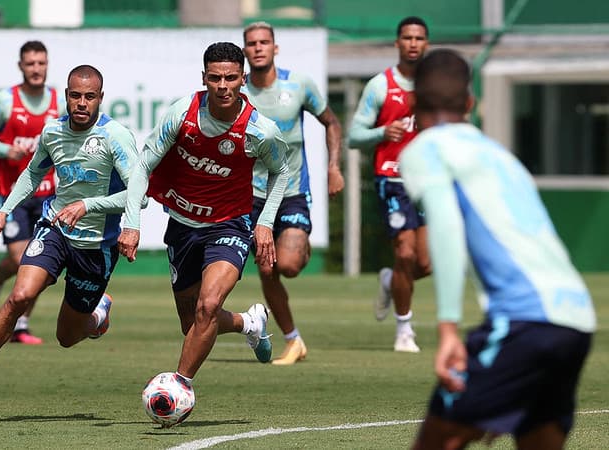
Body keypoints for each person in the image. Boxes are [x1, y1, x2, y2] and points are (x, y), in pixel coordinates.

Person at [400, 49, 596, 449]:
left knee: (439, 440)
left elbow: (447, 227)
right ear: (470, 105)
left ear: (414, 105)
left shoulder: (426, 149)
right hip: (576, 319)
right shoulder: (504, 159)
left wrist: (449, 328)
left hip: (525, 321)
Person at [0, 65, 139, 416]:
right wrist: (4, 212)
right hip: (55, 229)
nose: (81, 103)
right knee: (19, 296)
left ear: (100, 99)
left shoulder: (116, 137)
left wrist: (95, 208)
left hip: (96, 247)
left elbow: (139, 193)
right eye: (75, 95)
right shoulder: (53, 133)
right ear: (66, 96)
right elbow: (33, 174)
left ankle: (97, 315)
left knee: (66, 337)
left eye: (89, 97)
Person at [117, 42, 289, 398]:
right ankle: (248, 322)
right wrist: (131, 223)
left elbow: (281, 173)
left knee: (208, 307)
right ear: (204, 78)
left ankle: (179, 386)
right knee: (192, 322)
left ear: (243, 79)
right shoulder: (182, 114)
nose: (223, 86)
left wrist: (265, 222)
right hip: (182, 227)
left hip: (230, 225)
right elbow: (143, 167)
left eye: (230, 78)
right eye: (214, 78)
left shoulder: (262, 132)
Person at [241, 22, 344, 365]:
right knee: (268, 270)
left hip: (291, 190)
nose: (258, 48)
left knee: (287, 265)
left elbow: (331, 121)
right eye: (252, 43)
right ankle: (293, 340)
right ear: (245, 51)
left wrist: (333, 167)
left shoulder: (298, 85)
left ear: (275, 48)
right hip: (252, 196)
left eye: (264, 42)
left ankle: (298, 243)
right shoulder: (237, 93)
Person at [348, 16, 431, 353]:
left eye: (419, 38)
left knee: (424, 263)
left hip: (428, 183)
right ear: (397, 43)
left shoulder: (436, 85)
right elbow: (354, 136)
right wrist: (383, 132)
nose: (413, 43)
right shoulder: (380, 86)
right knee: (405, 251)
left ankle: (388, 280)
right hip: (393, 179)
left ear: (427, 44)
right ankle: (404, 330)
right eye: (407, 38)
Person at [0, 40, 66, 344]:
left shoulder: (58, 102)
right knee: (19, 259)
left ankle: (21, 324)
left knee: (35, 261)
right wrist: (5, 149)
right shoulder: (5, 101)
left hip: (48, 194)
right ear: (21, 66)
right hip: (13, 193)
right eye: (31, 64)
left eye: (41, 63)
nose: (36, 69)